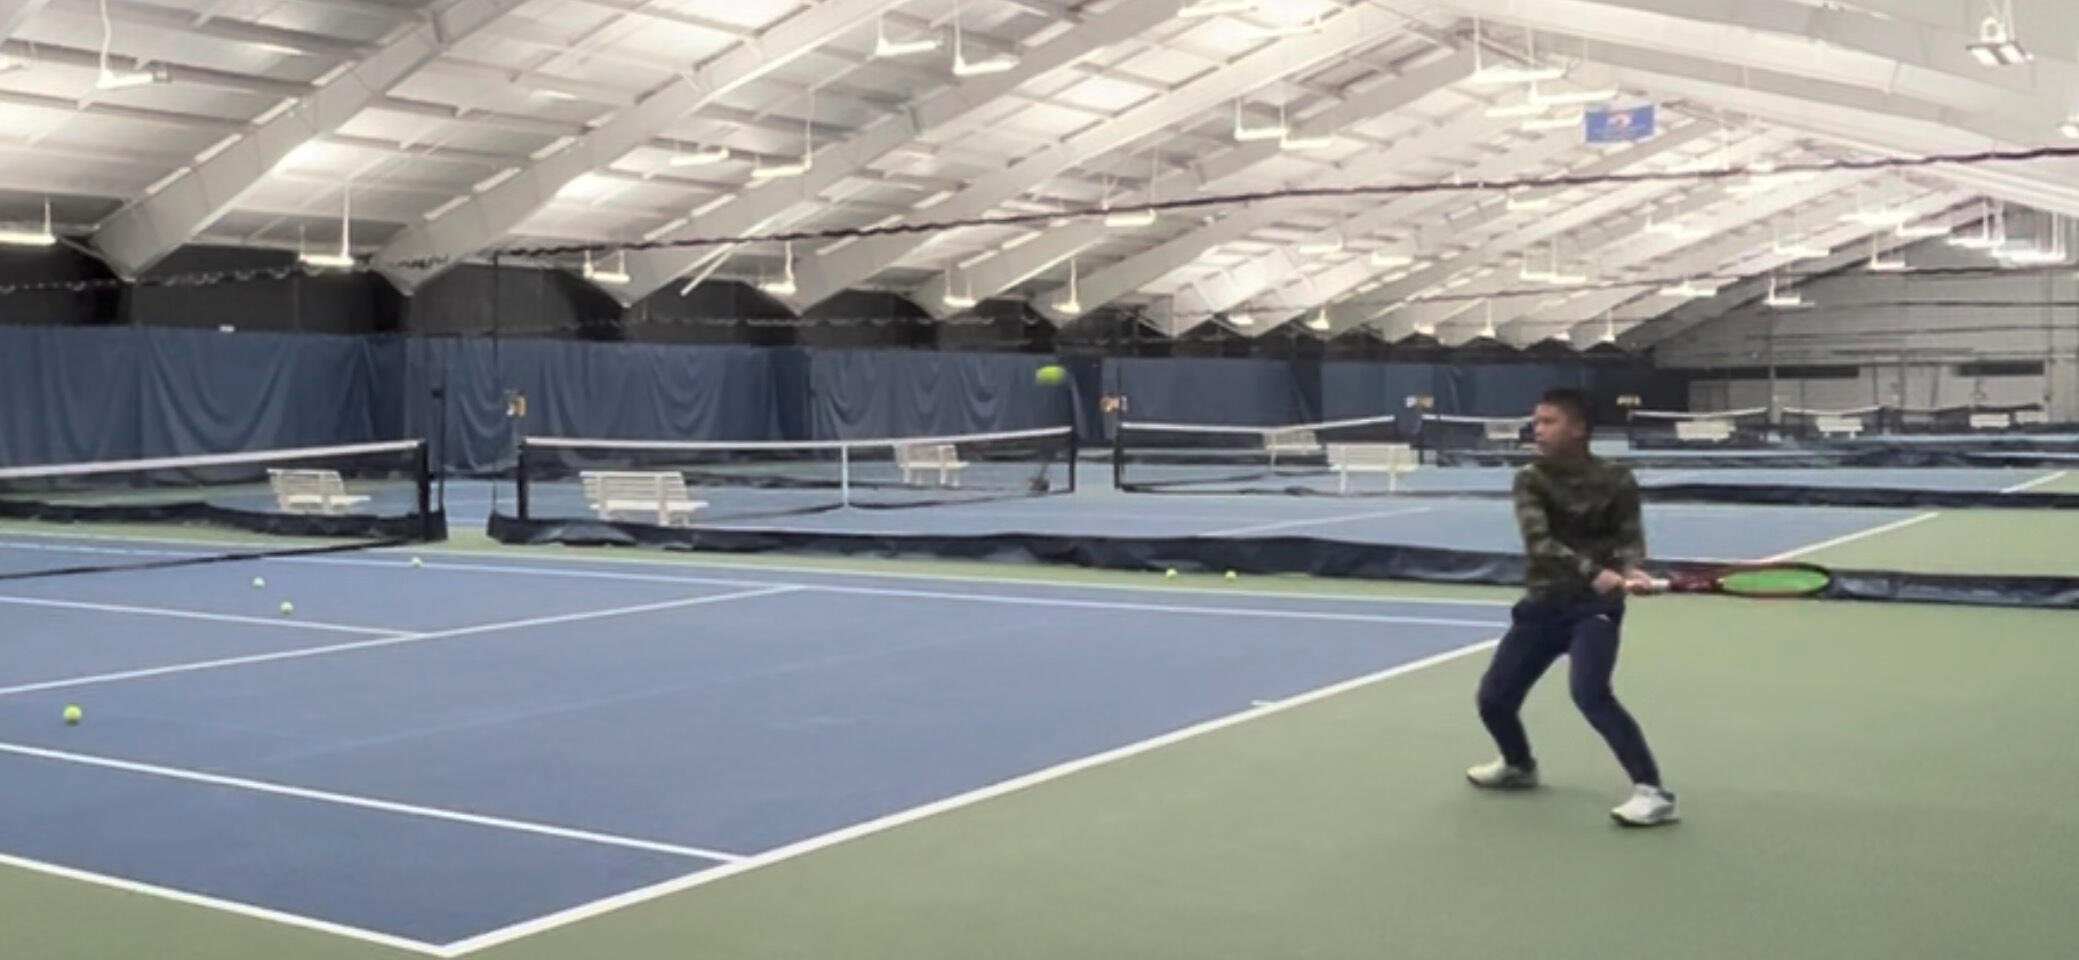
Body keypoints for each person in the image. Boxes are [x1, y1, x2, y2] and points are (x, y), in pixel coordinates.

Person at [1465, 388, 1677, 827]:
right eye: (1536, 422)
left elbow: (1629, 536)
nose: (1536, 430)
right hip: (1543, 606)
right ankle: (1519, 766)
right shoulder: (1530, 478)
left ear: (1578, 428)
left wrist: (1633, 569)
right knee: (1493, 700)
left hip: (1593, 611)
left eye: (1547, 421)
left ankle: (1652, 791)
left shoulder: (1617, 477)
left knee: (1590, 693)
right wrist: (1594, 571)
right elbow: (1540, 543)